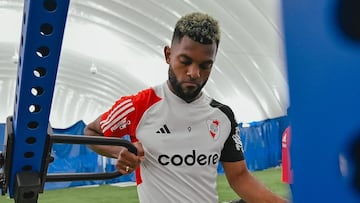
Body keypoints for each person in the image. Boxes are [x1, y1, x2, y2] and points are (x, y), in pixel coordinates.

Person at [84, 12, 288, 203]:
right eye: (185, 61)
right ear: (168, 55)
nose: (194, 73)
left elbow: (240, 177)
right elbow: (91, 132)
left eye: (205, 65)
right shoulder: (138, 106)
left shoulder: (223, 116)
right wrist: (120, 150)